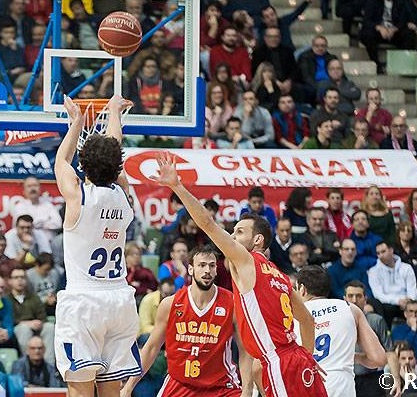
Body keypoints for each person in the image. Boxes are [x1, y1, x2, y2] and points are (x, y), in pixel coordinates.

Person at [151, 151, 328, 396]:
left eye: (239, 232)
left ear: (257, 240)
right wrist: (307, 358)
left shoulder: (247, 260)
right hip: (297, 357)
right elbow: (307, 320)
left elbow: (208, 224)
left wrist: (177, 186)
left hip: (277, 360)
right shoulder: (280, 275)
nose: (232, 237)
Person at [53, 95, 140, 395]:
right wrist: (114, 110)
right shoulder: (124, 195)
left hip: (84, 301)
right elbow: (114, 154)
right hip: (119, 299)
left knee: (79, 387)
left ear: (83, 165)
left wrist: (76, 123)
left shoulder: (79, 198)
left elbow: (61, 162)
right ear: (117, 167)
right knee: (111, 389)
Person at [121, 245, 252, 396]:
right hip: (180, 385)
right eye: (201, 265)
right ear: (190, 269)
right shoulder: (170, 304)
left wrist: (247, 390)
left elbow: (245, 350)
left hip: (221, 386)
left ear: (216, 270)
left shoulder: (233, 304)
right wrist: (128, 386)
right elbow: (151, 348)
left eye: (211, 265)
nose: (207, 271)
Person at [297, 266, 387, 397]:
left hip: (306, 383)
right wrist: (355, 357)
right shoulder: (350, 309)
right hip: (340, 385)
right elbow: (378, 359)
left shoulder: (292, 314)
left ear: (302, 289)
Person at [367, 241, 417, 328]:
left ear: (391, 250)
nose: (380, 256)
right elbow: (378, 295)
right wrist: (398, 301)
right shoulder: (373, 271)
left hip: (407, 302)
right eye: (378, 253)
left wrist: (410, 301)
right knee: (381, 306)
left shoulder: (406, 268)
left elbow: (412, 289)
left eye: (383, 251)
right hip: (387, 303)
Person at [9, 267, 54, 364]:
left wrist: (40, 323)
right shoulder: (7, 299)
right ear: (10, 281)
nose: (19, 280)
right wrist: (26, 323)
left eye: (22, 277)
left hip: (36, 328)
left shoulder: (33, 297)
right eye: (16, 277)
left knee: (50, 327)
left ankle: (48, 365)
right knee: (24, 329)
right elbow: (9, 320)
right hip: (18, 328)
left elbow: (42, 315)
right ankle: (27, 363)